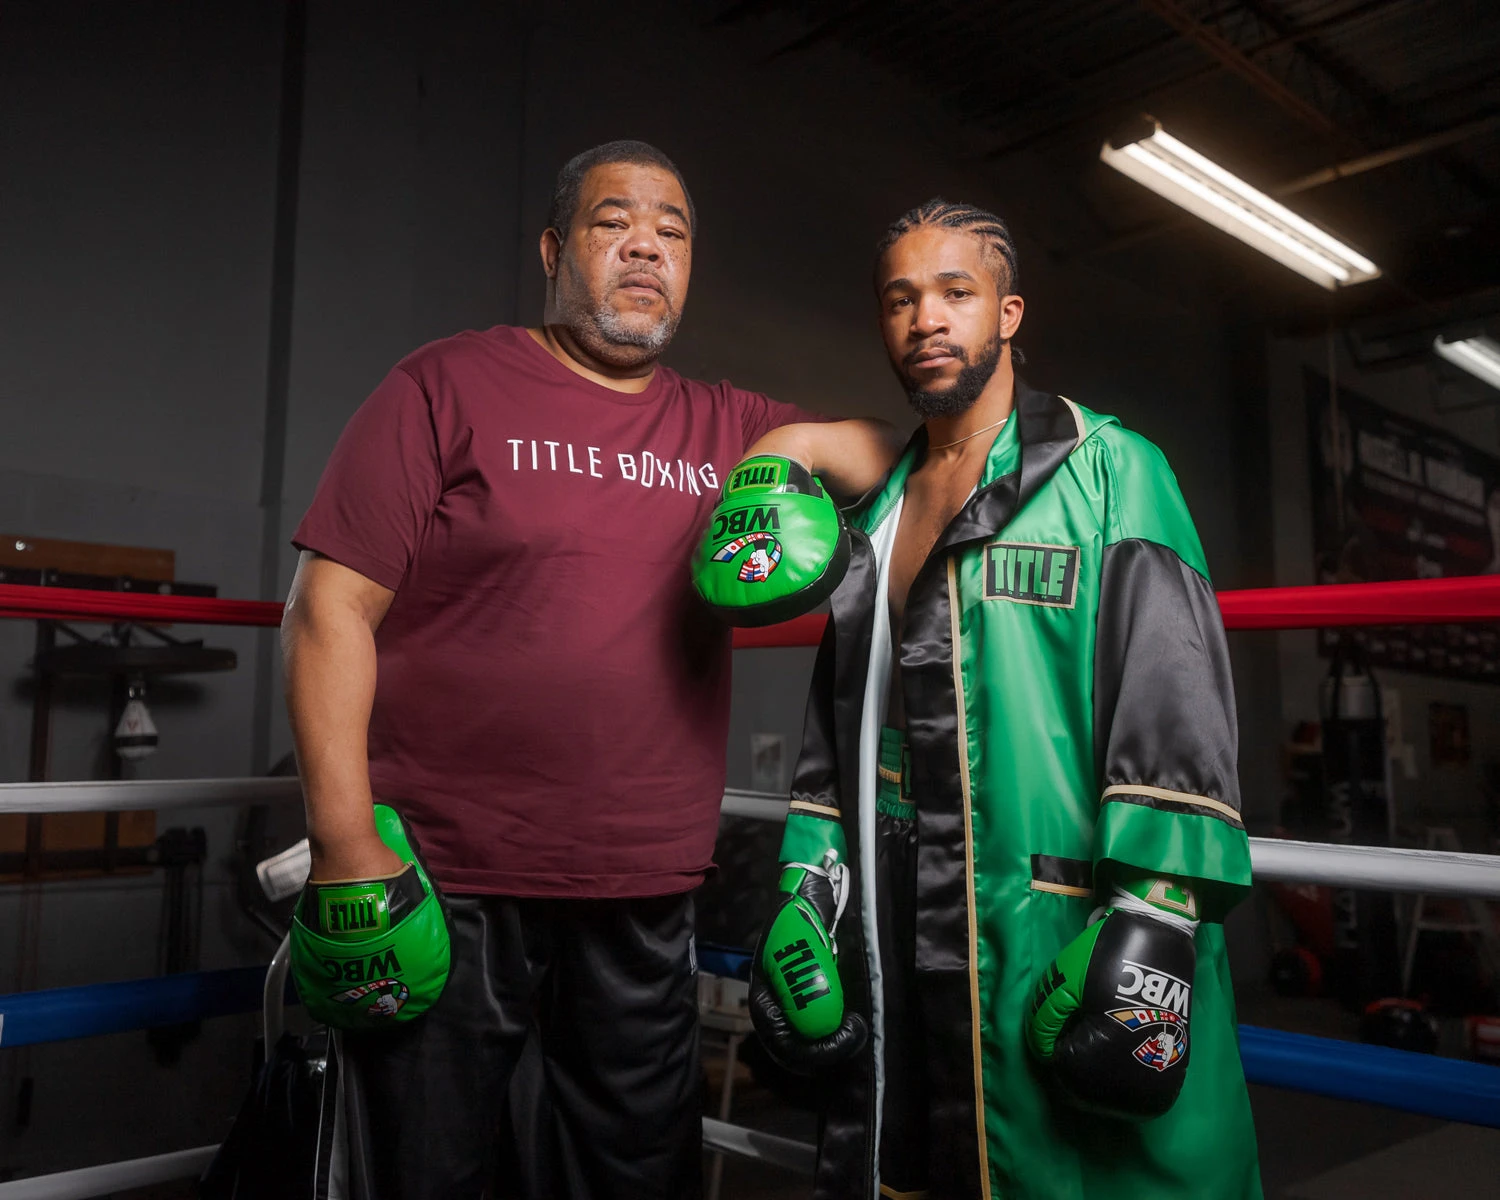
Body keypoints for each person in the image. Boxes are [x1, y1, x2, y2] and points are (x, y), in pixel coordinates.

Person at [280, 139, 900, 1200]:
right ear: (555, 248)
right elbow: (328, 607)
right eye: (616, 223)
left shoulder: (728, 426)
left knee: (634, 1176)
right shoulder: (448, 383)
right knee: (428, 1173)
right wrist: (344, 844)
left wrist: (789, 457)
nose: (648, 247)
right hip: (448, 876)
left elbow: (892, 456)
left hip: (642, 887)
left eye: (673, 231)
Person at [745, 199, 1262, 1198]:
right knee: (913, 1159)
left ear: (1008, 313)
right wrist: (809, 887)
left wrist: (1156, 912)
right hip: (904, 911)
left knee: (1086, 1166)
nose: (926, 320)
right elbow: (842, 726)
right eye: (901, 299)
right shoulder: (881, 513)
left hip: (1054, 918)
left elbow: (1178, 704)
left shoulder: (1112, 471)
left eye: (955, 293)